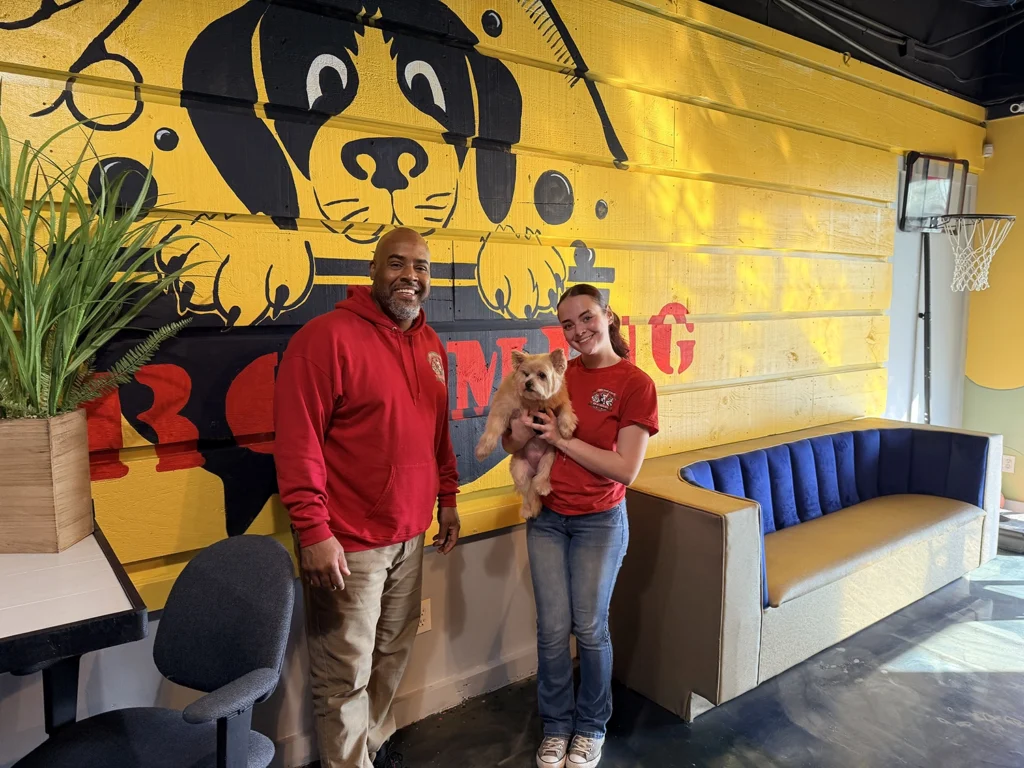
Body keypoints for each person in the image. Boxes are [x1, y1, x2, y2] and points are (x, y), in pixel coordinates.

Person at [273, 227, 461, 768]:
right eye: (397, 264)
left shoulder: (430, 344)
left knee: (391, 653)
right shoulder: (325, 338)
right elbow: (298, 442)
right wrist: (313, 531)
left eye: (422, 267)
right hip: (347, 542)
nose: (411, 276)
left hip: (411, 532)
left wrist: (447, 497)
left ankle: (369, 748)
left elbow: (437, 433)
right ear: (374, 270)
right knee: (343, 672)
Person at [503, 285, 659, 768]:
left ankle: (590, 726)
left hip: (599, 521)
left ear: (608, 315)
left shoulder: (636, 383)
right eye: (568, 324)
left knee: (589, 629)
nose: (579, 332)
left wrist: (560, 441)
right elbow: (513, 446)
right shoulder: (558, 373)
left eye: (587, 318)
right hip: (547, 518)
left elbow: (625, 469)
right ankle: (556, 726)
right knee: (551, 630)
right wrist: (522, 433)